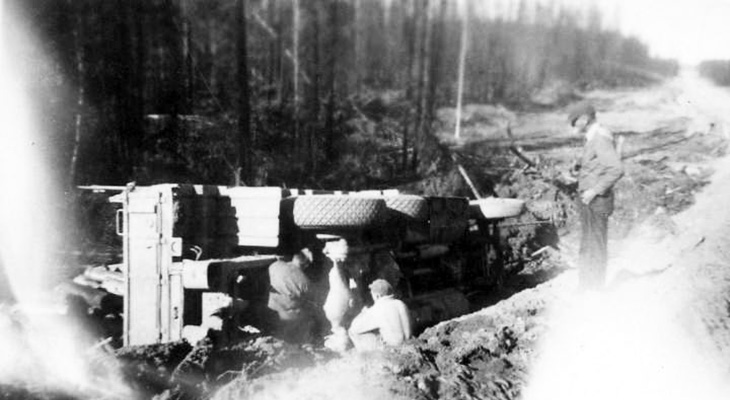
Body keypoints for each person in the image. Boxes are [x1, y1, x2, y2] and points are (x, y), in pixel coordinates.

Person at [568, 102, 624, 290]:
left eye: (574, 121)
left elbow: (616, 169)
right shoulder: (593, 137)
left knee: (595, 247)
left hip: (597, 201)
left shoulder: (599, 137)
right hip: (589, 200)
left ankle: (595, 291)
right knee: (588, 245)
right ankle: (586, 287)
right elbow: (597, 164)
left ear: (585, 119)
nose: (573, 126)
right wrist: (579, 165)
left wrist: (594, 190)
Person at [267, 248, 316, 343]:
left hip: (269, 312)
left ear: (294, 258)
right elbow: (310, 302)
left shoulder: (275, 265)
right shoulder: (305, 282)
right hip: (287, 318)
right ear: (306, 265)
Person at [348, 279, 412, 351]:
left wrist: (364, 313)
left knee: (351, 332)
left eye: (372, 294)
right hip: (409, 346)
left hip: (394, 350)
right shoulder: (401, 304)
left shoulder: (378, 308)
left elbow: (354, 328)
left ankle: (370, 358)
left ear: (378, 296)